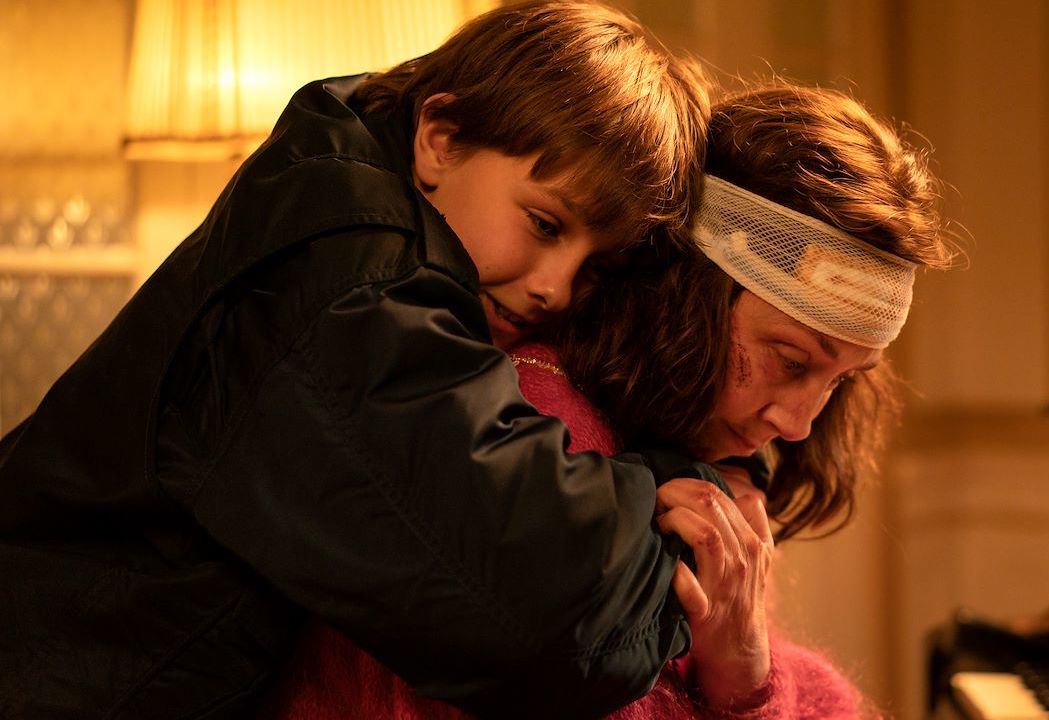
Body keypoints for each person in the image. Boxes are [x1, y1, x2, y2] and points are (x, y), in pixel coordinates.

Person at [0, 3, 723, 718]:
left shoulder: (341, 195)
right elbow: (544, 614)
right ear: (440, 139)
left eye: (596, 267)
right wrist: (677, 497)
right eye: (544, 223)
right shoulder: (352, 286)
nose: (556, 288)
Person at [259, 82, 954, 718]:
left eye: (841, 380)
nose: (798, 424)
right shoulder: (538, 428)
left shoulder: (685, 448)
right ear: (687, 291)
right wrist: (746, 688)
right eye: (790, 360)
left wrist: (748, 674)